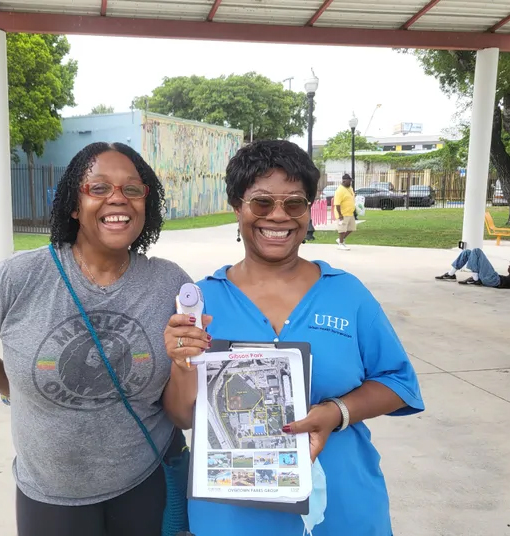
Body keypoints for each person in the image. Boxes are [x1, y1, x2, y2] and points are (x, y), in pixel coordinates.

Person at [163, 140, 424, 536]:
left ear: (309, 210)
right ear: (237, 206)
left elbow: (399, 383)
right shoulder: (201, 300)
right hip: (233, 518)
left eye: (295, 203)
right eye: (262, 203)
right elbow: (182, 416)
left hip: (343, 511)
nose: (279, 216)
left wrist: (336, 412)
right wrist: (183, 360)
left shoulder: (347, 294)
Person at [0, 142, 193, 536]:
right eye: (99, 188)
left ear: (147, 202)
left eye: (132, 189)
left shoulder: (170, 283)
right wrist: (14, 385)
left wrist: (184, 359)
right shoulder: (20, 277)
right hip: (51, 496)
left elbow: (183, 410)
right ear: (74, 205)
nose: (118, 199)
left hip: (145, 478)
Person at [435, 247, 510, 288]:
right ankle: (450, 274)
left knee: (476, 251)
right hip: (494, 279)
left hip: (495, 280)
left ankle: (476, 279)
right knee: (467, 252)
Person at [333, 173, 356, 250]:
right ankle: (341, 243)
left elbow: (351, 195)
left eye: (351, 181)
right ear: (344, 181)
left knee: (352, 228)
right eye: (349, 181)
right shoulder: (340, 190)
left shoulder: (349, 188)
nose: (350, 182)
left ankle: (340, 239)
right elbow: (337, 204)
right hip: (343, 213)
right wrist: (340, 215)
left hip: (350, 212)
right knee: (342, 229)